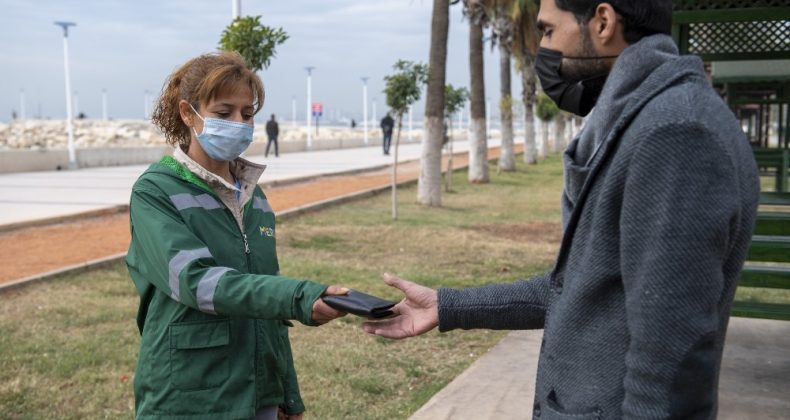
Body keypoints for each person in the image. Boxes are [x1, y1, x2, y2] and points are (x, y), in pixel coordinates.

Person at [363, 1, 760, 418]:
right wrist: (448, 306)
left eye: (549, 32)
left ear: (603, 22)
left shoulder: (675, 133)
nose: (544, 50)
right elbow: (580, 287)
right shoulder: (644, 121)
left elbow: (671, 362)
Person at [127, 52, 347, 420]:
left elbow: (266, 301)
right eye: (224, 112)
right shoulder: (155, 191)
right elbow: (197, 282)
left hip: (258, 393)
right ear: (188, 113)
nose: (238, 123)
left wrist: (286, 395)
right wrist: (298, 297)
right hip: (190, 396)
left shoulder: (253, 195)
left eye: (247, 115)